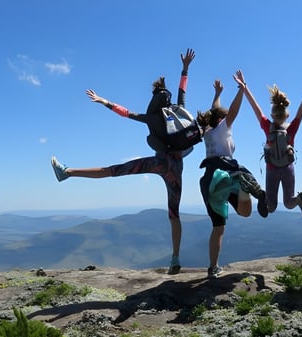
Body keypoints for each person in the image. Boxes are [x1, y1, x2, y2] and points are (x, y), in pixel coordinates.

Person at [50, 49, 196, 275]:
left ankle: (67, 172)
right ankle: (175, 258)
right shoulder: (177, 112)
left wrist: (103, 101)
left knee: (113, 170)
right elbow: (182, 93)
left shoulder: (151, 117)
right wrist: (185, 69)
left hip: (157, 163)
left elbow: (126, 113)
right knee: (174, 213)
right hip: (176, 166)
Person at [197, 71, 268, 279]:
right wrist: (241, 89)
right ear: (222, 118)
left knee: (218, 227)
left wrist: (217, 93)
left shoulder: (208, 130)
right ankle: (254, 189)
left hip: (210, 181)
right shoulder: (222, 127)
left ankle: (213, 268)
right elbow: (233, 112)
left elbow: (213, 111)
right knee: (242, 178)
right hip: (225, 172)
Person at [239, 66, 302, 219]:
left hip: (272, 168)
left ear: (272, 114)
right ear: (287, 114)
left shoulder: (267, 126)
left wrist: (244, 87)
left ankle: (261, 197)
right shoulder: (292, 129)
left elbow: (256, 107)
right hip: (288, 168)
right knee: (289, 202)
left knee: (271, 206)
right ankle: (299, 200)